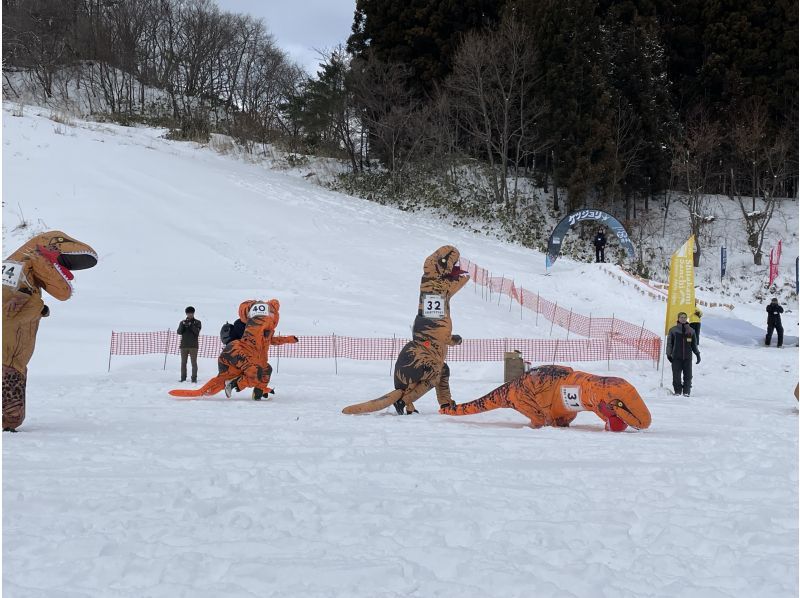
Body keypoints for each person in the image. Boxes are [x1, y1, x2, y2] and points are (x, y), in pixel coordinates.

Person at [666, 312, 700, 397]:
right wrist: (668, 354)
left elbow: (694, 345)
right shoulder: (673, 330)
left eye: (685, 317)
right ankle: (677, 391)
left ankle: (686, 392)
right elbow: (669, 343)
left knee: (688, 376)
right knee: (676, 376)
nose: (683, 319)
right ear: (678, 318)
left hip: (687, 358)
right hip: (676, 357)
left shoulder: (691, 331)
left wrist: (697, 354)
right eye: (681, 317)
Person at [177, 306, 201, 382]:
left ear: (193, 313)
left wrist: (191, 325)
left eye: (191, 313)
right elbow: (179, 332)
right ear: (186, 314)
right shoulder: (182, 322)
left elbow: (197, 332)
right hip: (184, 345)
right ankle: (183, 378)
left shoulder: (197, 322)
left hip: (193, 346)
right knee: (183, 363)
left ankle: (194, 378)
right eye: (188, 313)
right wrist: (183, 325)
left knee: (194, 363)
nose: (190, 314)